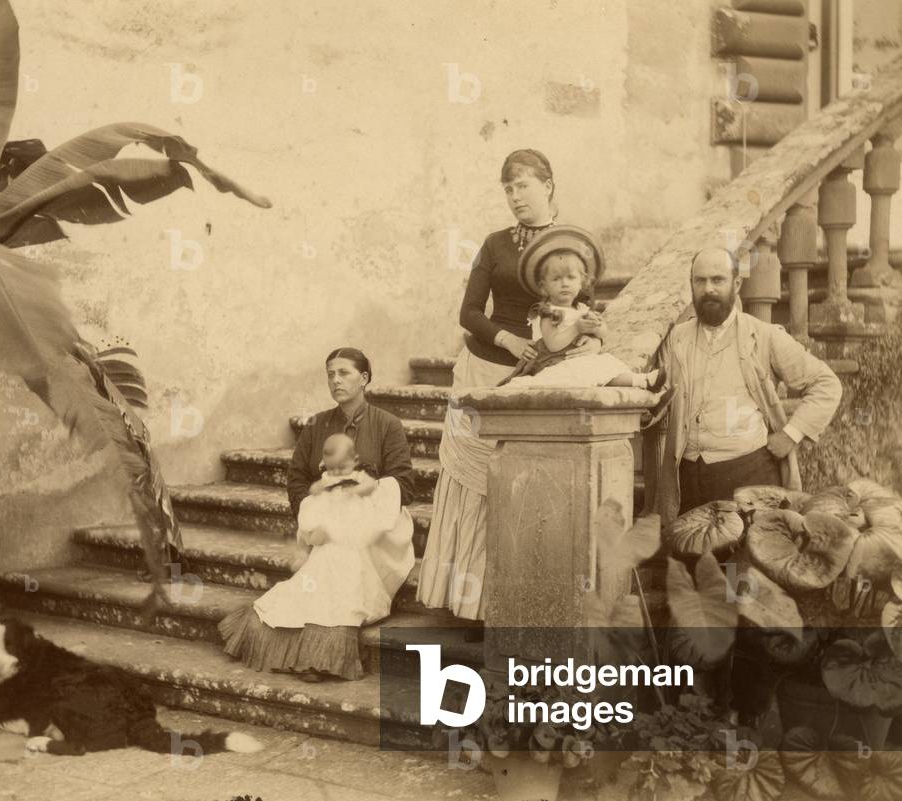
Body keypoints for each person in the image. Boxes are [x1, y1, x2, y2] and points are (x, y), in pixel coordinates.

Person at [416, 149, 599, 624]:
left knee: (518, 488)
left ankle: (513, 603)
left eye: (524, 186)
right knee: (473, 488)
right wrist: (509, 339)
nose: (516, 197)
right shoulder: (495, 244)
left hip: (540, 378)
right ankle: (468, 604)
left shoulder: (571, 244)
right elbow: (469, 312)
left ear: (548, 185)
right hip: (483, 370)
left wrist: (562, 343)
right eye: (508, 189)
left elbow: (584, 307)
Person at [218, 349, 415, 682]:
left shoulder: (387, 425)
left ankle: (325, 650)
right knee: (333, 549)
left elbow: (404, 484)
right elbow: (297, 479)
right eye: (330, 374)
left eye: (344, 373)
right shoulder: (317, 425)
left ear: (364, 378)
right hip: (326, 520)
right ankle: (312, 647)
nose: (335, 380)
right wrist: (313, 515)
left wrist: (359, 498)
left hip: (377, 526)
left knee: (343, 550)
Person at [655, 247, 843, 529]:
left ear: (737, 284)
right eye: (700, 280)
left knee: (743, 567)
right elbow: (658, 394)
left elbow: (827, 384)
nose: (708, 289)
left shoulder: (764, 336)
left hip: (747, 474)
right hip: (686, 478)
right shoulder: (677, 339)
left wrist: (791, 434)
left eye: (718, 280)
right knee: (696, 567)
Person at [498, 234, 665, 391]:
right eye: (556, 279)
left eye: (571, 278)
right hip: (554, 363)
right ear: (544, 287)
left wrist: (597, 328)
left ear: (582, 282)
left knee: (605, 365)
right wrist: (576, 328)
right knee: (586, 370)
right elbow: (552, 344)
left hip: (579, 358)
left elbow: (605, 333)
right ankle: (641, 382)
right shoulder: (549, 312)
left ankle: (643, 381)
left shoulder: (581, 309)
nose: (564, 284)